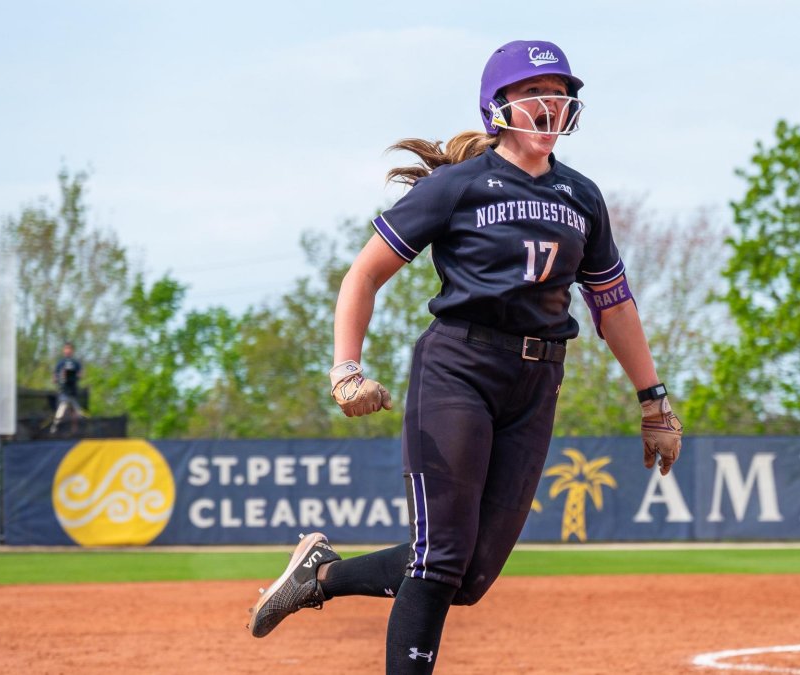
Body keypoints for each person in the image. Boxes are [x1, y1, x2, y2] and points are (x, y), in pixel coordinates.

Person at [247, 40, 683, 673]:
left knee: (471, 576)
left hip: (538, 383)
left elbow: (613, 304)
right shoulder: (459, 186)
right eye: (534, 93)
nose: (550, 105)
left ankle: (322, 577)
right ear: (498, 107)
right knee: (438, 559)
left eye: (560, 95)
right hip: (460, 369)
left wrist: (654, 400)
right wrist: (346, 369)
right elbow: (362, 276)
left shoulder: (582, 197)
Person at [51, 341, 83, 434]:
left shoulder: (76, 362)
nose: (67, 351)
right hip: (64, 390)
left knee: (77, 411)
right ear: (63, 350)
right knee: (62, 408)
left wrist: (73, 376)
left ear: (72, 350)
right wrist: (58, 378)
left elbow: (80, 374)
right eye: (66, 349)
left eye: (69, 349)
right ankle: (55, 427)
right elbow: (54, 376)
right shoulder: (60, 363)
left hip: (73, 391)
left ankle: (79, 430)